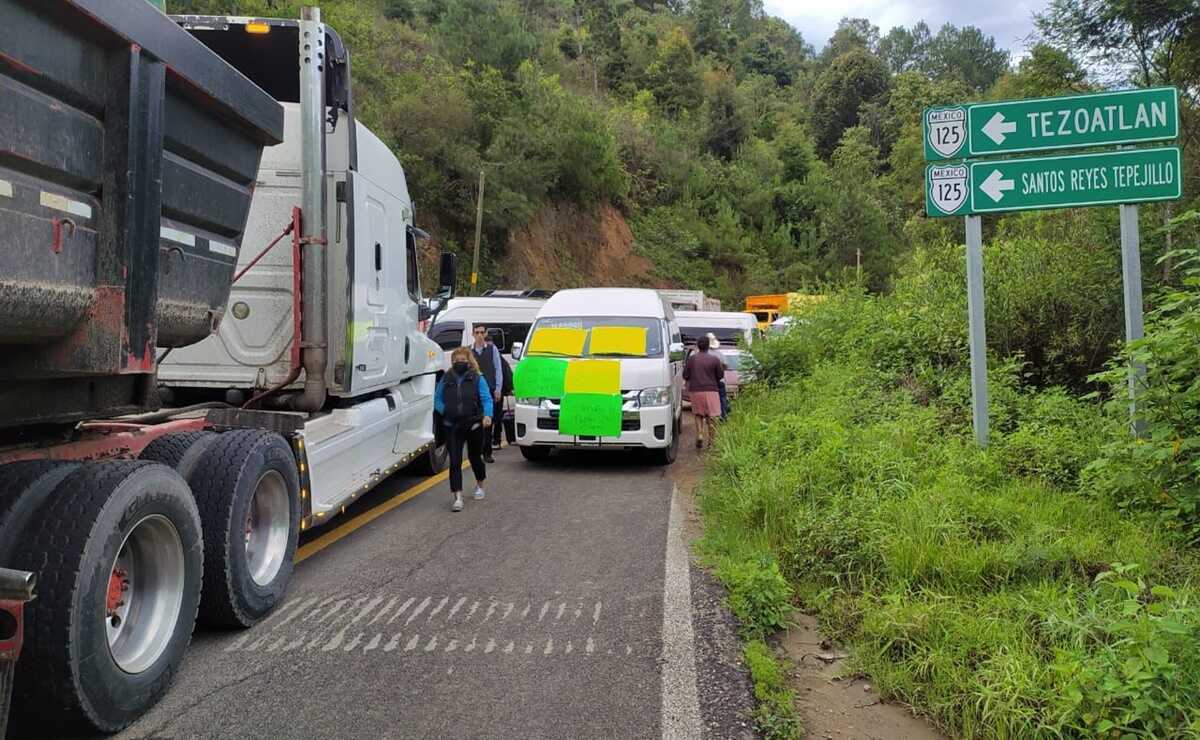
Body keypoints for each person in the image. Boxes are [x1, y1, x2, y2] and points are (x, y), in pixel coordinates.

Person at [434, 347, 494, 512]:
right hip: (452, 425)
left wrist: (487, 415)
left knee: (475, 456)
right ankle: (457, 496)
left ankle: (480, 484)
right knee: (455, 461)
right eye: (456, 360)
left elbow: (487, 399)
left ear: (469, 361)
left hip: (473, 424)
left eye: (462, 360)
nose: (459, 363)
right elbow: (437, 398)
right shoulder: (446, 378)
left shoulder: (477, 378)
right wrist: (444, 410)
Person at [683, 336, 724, 449]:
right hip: (711, 390)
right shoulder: (714, 359)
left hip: (695, 390)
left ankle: (700, 434)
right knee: (713, 416)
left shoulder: (692, 359)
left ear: (698, 346)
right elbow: (720, 375)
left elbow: (685, 375)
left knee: (698, 414)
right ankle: (711, 442)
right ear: (708, 346)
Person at [470, 325, 503, 463]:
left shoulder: (492, 349)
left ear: (486, 333)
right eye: (477, 332)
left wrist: (498, 389)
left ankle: (487, 453)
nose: (479, 335)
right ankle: (476, 452)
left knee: (488, 422)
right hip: (473, 392)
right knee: (474, 423)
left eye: (482, 332)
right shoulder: (469, 351)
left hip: (489, 391)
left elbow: (498, 368)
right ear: (472, 334)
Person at [707, 332, 730, 420]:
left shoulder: (705, 354)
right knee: (722, 398)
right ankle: (723, 416)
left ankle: (711, 416)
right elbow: (726, 366)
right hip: (720, 380)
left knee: (710, 400)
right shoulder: (720, 354)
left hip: (708, 381)